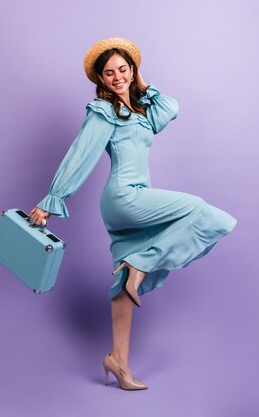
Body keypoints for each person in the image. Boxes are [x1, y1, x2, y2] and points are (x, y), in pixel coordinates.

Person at [29, 37, 237, 390]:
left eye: (123, 69)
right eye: (109, 73)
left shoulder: (142, 112)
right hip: (125, 197)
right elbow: (80, 154)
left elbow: (170, 107)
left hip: (134, 200)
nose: (117, 77)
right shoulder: (104, 112)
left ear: (133, 70)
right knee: (199, 210)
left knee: (122, 288)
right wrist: (51, 200)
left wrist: (141, 85)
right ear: (100, 80)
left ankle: (119, 363)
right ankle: (142, 264)